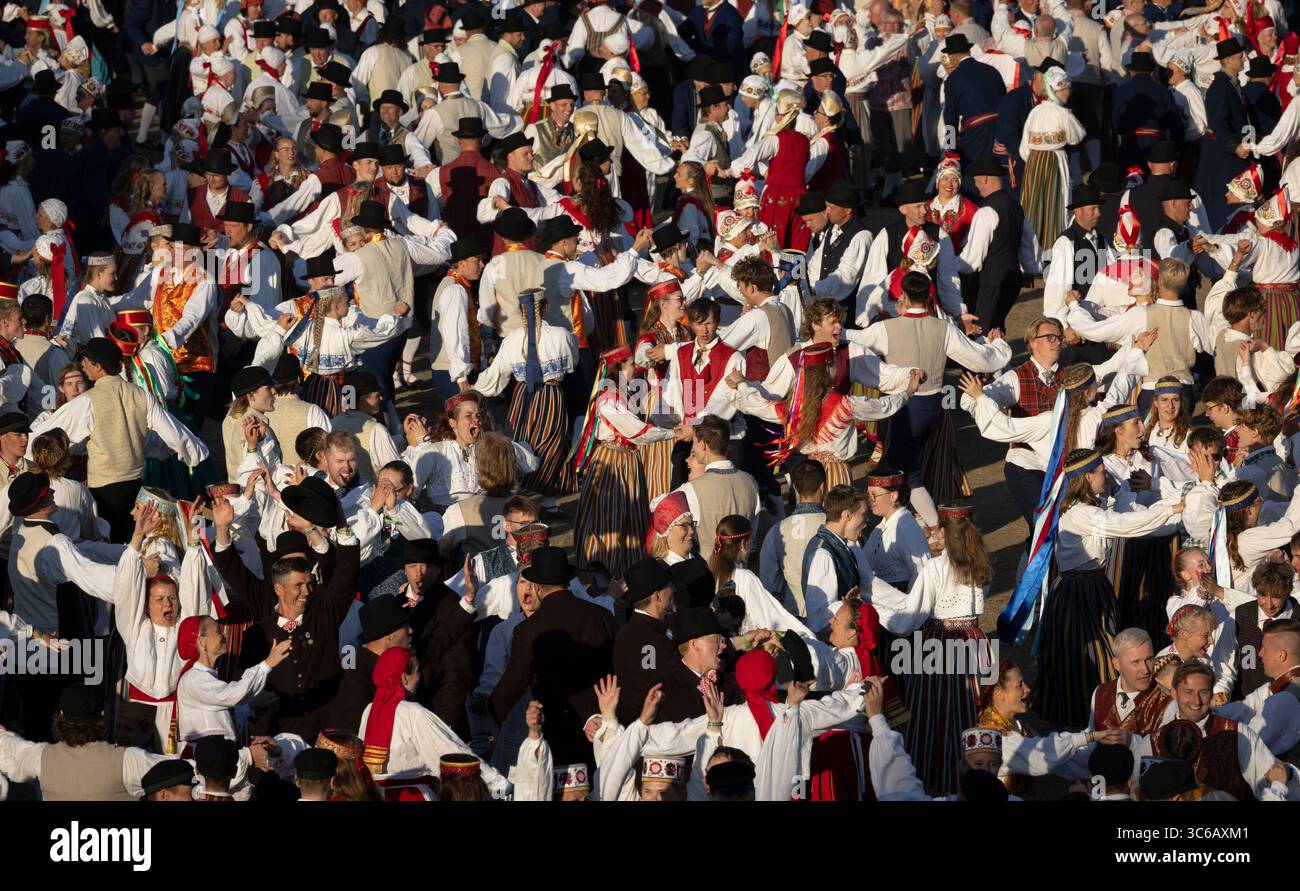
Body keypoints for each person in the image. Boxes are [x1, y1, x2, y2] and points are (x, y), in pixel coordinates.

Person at [874, 503, 991, 796]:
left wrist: (875, 610)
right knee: (971, 710)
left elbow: (909, 619)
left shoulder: (935, 567)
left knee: (933, 714)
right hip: (975, 640)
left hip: (939, 643)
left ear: (942, 532)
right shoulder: (982, 564)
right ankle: (976, 779)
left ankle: (936, 779)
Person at [490, 546, 615, 765]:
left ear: (537, 586)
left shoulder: (528, 629)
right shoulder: (601, 615)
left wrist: (494, 711)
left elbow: (513, 684)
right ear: (567, 581)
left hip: (557, 735)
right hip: (607, 722)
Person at [572, 345, 681, 579]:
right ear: (619, 368)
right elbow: (638, 432)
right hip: (613, 462)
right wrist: (673, 433)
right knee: (609, 514)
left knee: (630, 513)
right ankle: (605, 567)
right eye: (631, 363)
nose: (636, 367)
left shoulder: (623, 394)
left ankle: (627, 566)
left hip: (626, 461)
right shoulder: (609, 400)